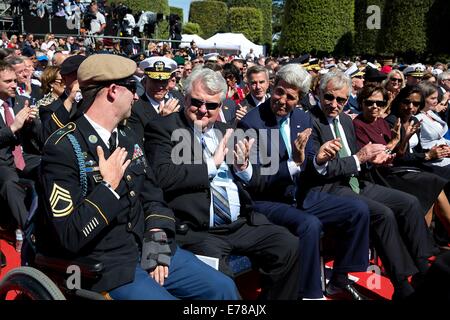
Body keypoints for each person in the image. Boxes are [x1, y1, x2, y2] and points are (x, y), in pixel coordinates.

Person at [38, 54, 239, 300]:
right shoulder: (64, 147)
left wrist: (157, 243)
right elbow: (69, 235)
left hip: (147, 248)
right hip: (105, 265)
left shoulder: (126, 137)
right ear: (112, 91)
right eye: (131, 87)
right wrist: (108, 189)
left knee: (223, 289)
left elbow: (153, 195)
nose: (136, 95)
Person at [144, 67, 300, 300]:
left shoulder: (227, 131)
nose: (203, 110)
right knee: (221, 281)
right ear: (184, 98)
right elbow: (162, 176)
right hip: (198, 231)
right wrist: (212, 164)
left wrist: (243, 168)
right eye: (197, 102)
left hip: (239, 224)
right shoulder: (164, 128)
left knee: (288, 244)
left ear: (221, 106)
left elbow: (256, 181)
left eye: (212, 105)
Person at [239, 64, 371, 300]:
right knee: (309, 225)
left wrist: (319, 159)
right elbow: (256, 179)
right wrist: (294, 164)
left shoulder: (302, 118)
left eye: (290, 96)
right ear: (272, 86)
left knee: (358, 208)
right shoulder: (252, 123)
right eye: (279, 92)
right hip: (266, 200)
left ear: (299, 98)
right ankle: (310, 294)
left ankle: (340, 277)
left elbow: (310, 160)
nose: (282, 100)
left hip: (300, 194)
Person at [308, 72, 436, 300]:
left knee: (409, 202)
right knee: (382, 214)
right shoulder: (311, 121)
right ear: (319, 94)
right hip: (329, 188)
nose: (334, 104)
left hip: (357, 181)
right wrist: (360, 158)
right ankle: (401, 285)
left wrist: (371, 160)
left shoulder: (345, 120)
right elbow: (323, 168)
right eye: (329, 97)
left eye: (341, 100)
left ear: (349, 100)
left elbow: (357, 161)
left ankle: (423, 267)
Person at [0, 60, 41, 252]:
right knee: (10, 182)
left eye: (14, 80)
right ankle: (27, 232)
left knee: (51, 165)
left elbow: (37, 137)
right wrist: (13, 127)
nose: (14, 85)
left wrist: (32, 122)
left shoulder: (19, 102)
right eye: (8, 81)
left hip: (23, 156)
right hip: (2, 161)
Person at [127, 56, 181, 143]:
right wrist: (161, 120)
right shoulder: (136, 109)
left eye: (164, 81)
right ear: (145, 82)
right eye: (155, 81)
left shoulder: (177, 98)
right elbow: (140, 143)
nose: (160, 86)